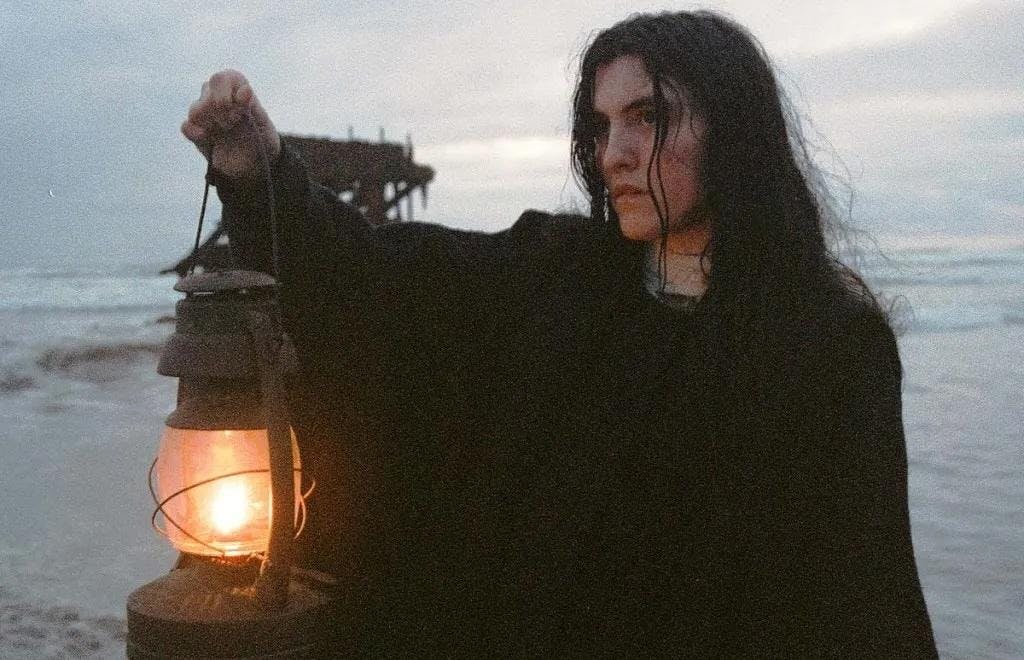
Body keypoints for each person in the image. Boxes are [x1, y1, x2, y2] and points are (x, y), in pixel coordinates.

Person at [182, 10, 937, 657]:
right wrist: (263, 174)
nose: (614, 154)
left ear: (735, 131)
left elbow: (860, 604)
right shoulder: (561, 275)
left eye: (649, 116)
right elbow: (379, 277)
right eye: (602, 125)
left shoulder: (828, 346)